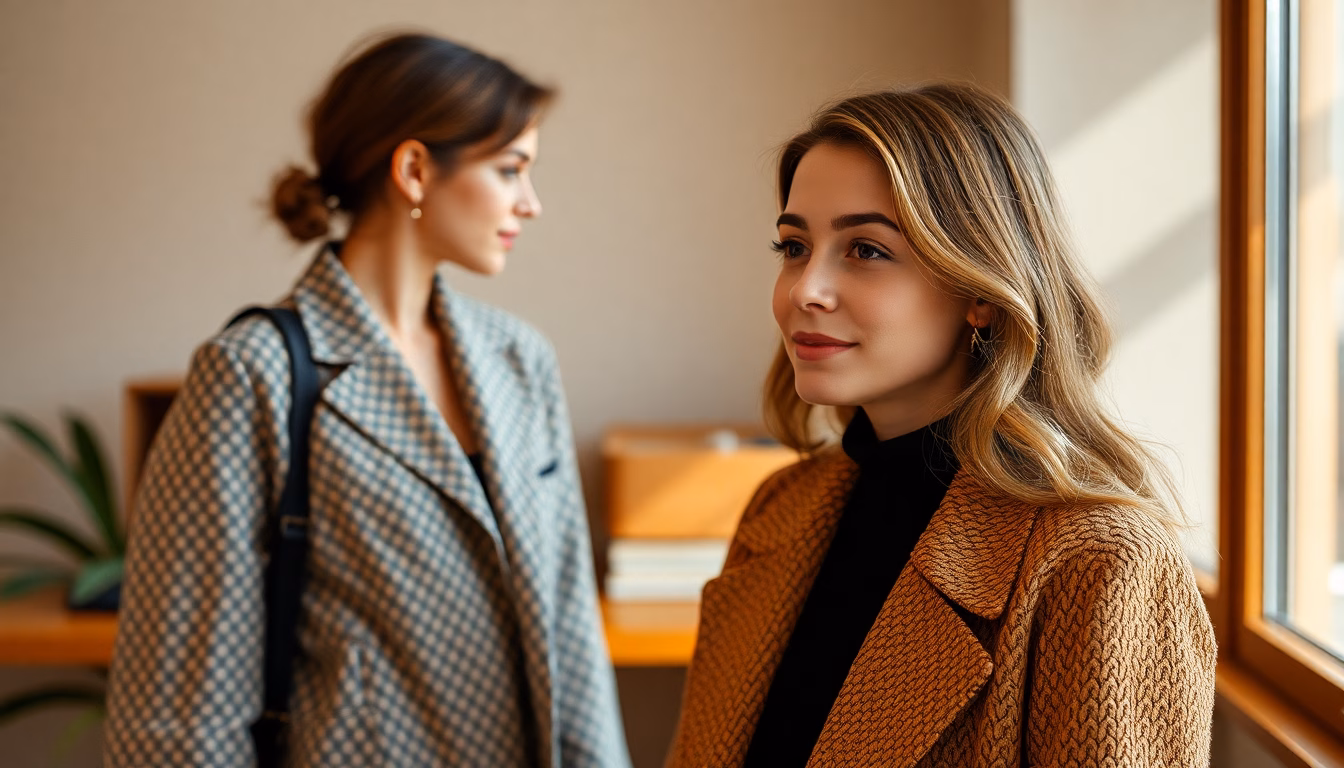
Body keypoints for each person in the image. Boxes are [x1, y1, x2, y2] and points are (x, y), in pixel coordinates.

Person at [105, 32, 629, 767]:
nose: (531, 204)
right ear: (415, 170)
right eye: (511, 170)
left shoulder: (521, 362)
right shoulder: (251, 376)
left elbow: (569, 629)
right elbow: (182, 707)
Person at [666, 84, 1216, 767]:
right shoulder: (781, 508)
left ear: (981, 294)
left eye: (865, 250)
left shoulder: (1100, 565)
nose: (805, 289)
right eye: (794, 246)